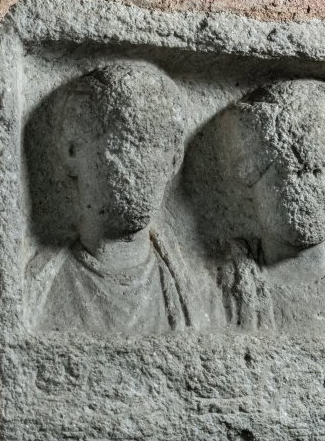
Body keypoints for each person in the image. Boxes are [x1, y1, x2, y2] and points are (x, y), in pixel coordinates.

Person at [26, 63, 197, 333]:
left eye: (159, 145)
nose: (145, 164)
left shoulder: (201, 295)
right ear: (72, 152)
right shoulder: (35, 291)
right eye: (123, 142)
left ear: (175, 161)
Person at [217, 79, 325, 341]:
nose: (305, 186)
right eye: (287, 170)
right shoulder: (226, 287)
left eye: (319, 170)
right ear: (253, 184)